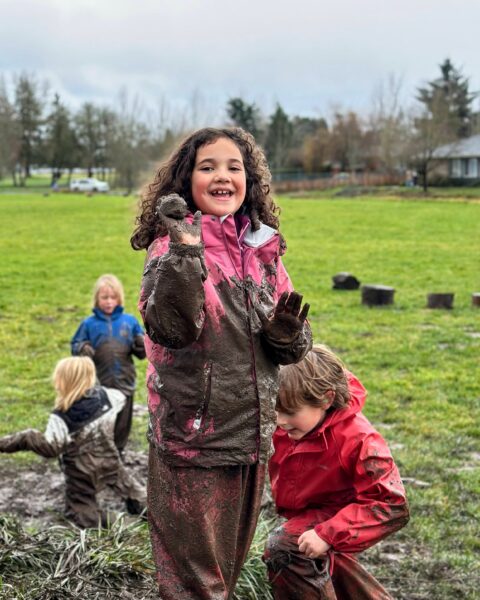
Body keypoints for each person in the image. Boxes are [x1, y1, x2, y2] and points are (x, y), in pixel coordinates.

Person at [130, 127, 312, 599]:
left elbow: (291, 345)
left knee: (223, 579)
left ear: (249, 179)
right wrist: (188, 253)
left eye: (234, 167)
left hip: (249, 437)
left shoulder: (262, 249)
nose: (222, 176)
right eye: (207, 167)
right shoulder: (171, 248)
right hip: (194, 440)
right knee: (197, 586)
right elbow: (171, 328)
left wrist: (286, 337)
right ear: (186, 180)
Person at [265, 345, 409, 600]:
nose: (280, 421)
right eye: (275, 410)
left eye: (289, 412)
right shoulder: (291, 426)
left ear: (327, 399)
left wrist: (329, 533)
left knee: (286, 548)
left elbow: (390, 503)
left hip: (340, 517)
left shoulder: (359, 441)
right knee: (314, 558)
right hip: (308, 515)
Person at [0, 357, 146, 528]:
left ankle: (122, 523)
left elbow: (52, 448)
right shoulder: (108, 397)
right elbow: (122, 399)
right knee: (132, 488)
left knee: (80, 512)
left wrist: (27, 438)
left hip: (81, 473)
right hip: (109, 460)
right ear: (90, 378)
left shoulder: (61, 417)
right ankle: (147, 508)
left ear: (62, 381)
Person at [71, 274, 146, 452]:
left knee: (121, 424)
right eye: (104, 298)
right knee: (100, 421)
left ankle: (118, 454)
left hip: (125, 384)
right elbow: (75, 346)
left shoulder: (129, 322)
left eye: (113, 298)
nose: (109, 302)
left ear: (119, 298)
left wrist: (140, 343)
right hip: (98, 386)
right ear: (97, 299)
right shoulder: (89, 324)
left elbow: (142, 353)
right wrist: (83, 348)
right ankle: (99, 454)